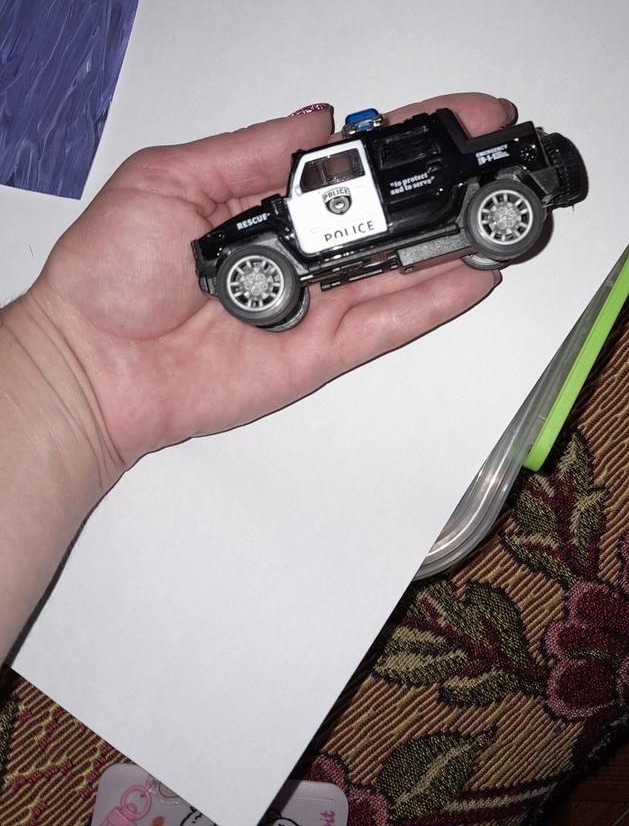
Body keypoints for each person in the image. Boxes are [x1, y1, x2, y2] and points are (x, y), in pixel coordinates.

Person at [0, 91, 515, 660]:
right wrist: (66, 358)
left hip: (407, 209)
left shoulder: (425, 171)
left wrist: (62, 361)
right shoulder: (267, 226)